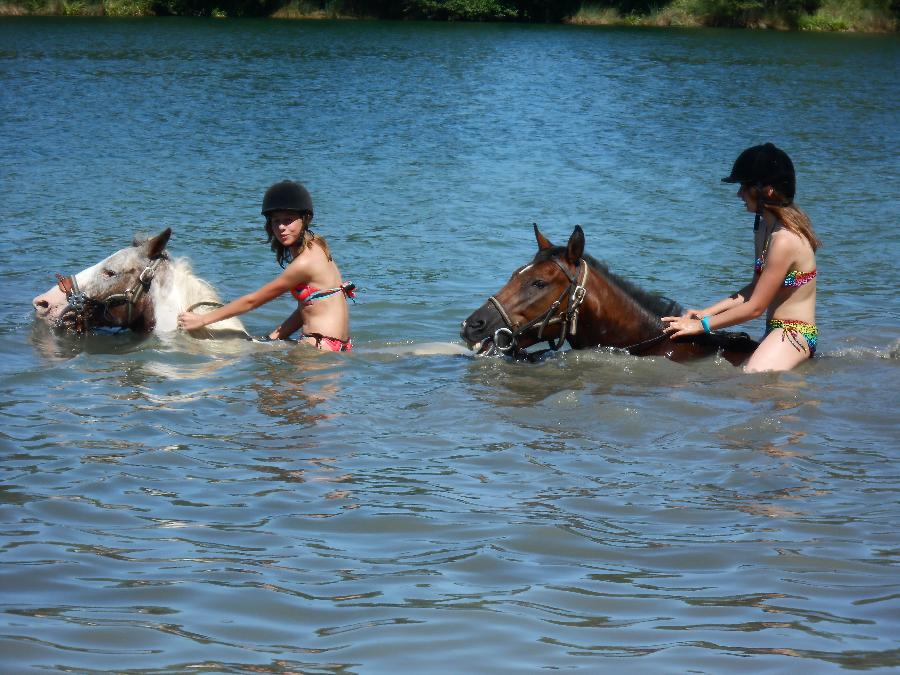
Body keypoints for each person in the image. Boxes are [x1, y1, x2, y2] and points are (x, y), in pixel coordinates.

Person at [662, 143, 820, 372]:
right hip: (774, 331)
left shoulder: (785, 239)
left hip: (795, 333)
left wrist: (701, 326)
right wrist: (707, 312)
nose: (739, 194)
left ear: (767, 191)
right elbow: (755, 288)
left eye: (745, 186)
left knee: (752, 377)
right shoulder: (764, 228)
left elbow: (755, 307)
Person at [178, 180, 354, 351]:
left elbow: (252, 301)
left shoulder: (303, 264)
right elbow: (311, 308)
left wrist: (202, 320)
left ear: (304, 219)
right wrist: (276, 335)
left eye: (288, 220)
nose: (282, 228)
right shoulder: (318, 246)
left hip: (317, 348)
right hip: (339, 346)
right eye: (276, 221)